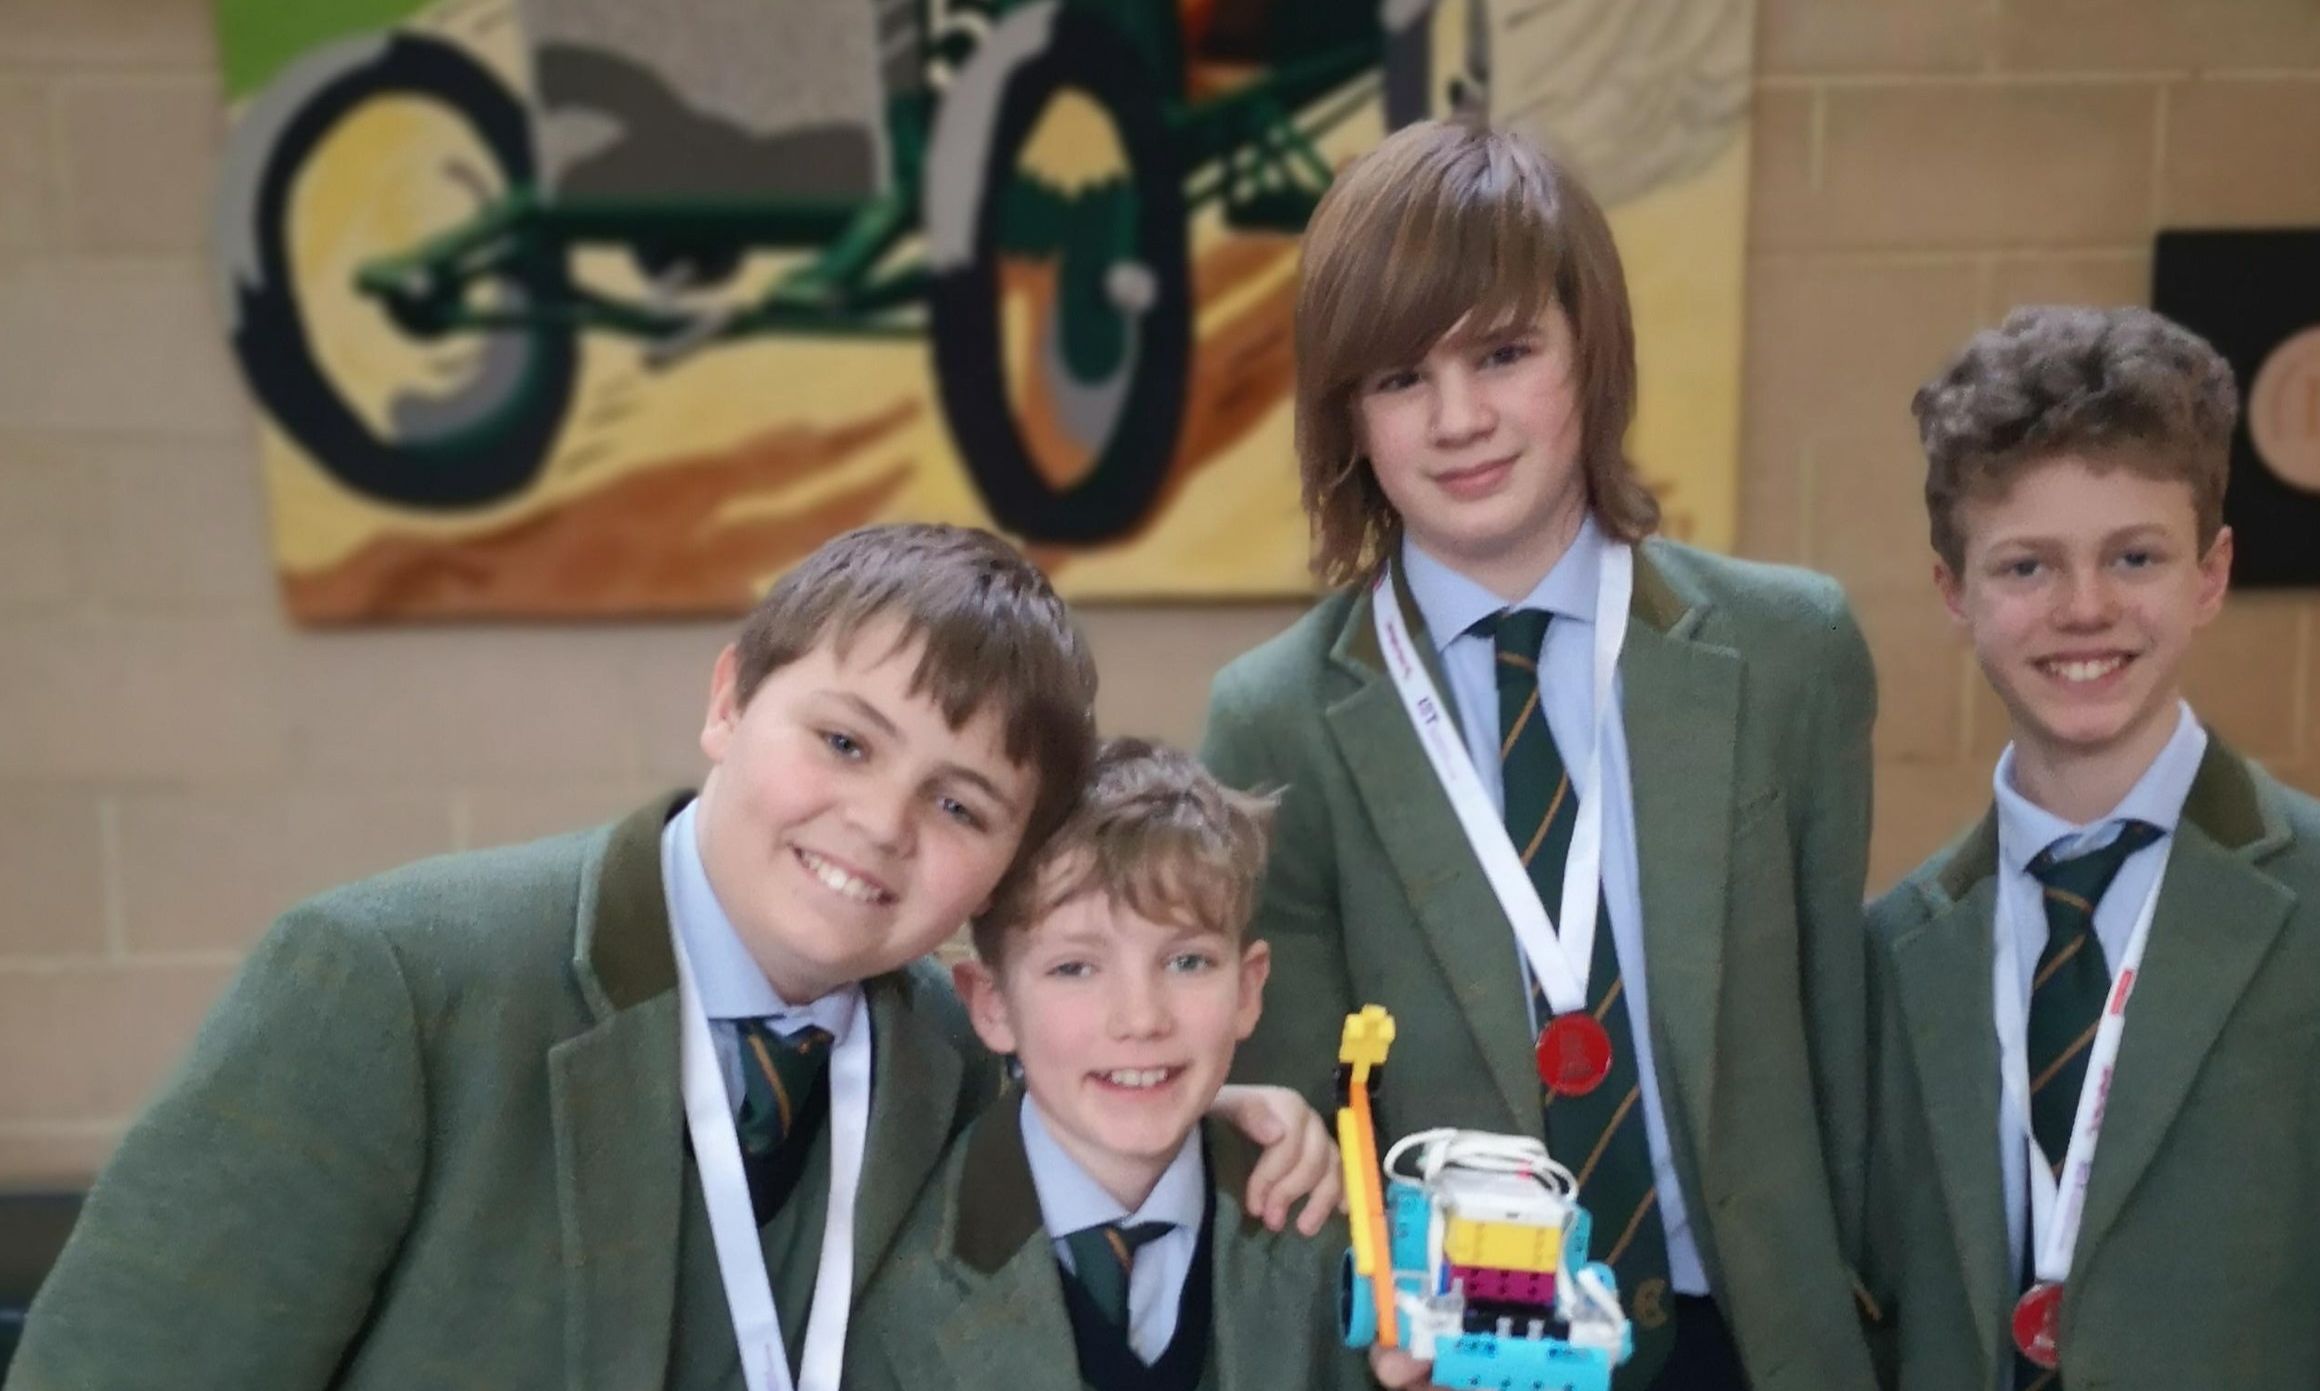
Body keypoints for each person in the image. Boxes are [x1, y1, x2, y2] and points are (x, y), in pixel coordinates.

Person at [13, 524, 1339, 1391]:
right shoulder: (395, 982)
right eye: (843, 741)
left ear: (997, 870)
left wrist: (1223, 1112)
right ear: (726, 700)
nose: (878, 823)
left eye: (959, 804)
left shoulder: (942, 1044)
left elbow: (1092, 1081)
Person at [1200, 117, 1883, 1391]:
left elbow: (1838, 1047)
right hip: (1469, 1360)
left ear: (1592, 351)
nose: (1458, 419)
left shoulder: (1793, 651)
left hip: (1762, 1339)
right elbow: (1293, 1143)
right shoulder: (1274, 715)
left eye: (1504, 353)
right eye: (1400, 377)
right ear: (1348, 413)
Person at [1863, 305, 2320, 1390]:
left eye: (2134, 556)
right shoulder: (1888, 950)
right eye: (2026, 566)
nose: (2085, 609)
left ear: (2210, 574)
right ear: (1954, 592)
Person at [850, 736, 1366, 1391]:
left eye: (1187, 961)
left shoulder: (1329, 1239)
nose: (1141, 1018)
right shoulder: (894, 1272)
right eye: (1075, 968)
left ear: (1248, 987)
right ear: (993, 1004)